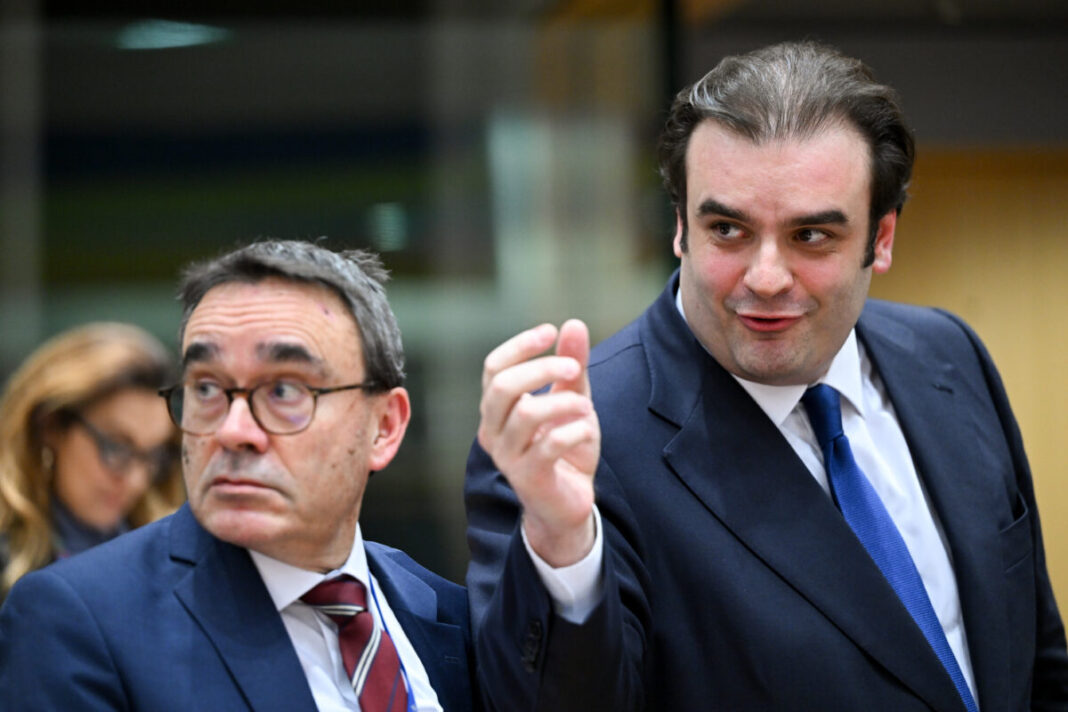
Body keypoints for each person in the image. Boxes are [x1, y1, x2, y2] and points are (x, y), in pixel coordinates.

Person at [465, 41, 1068, 711]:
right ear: (680, 228)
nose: (766, 278)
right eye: (728, 229)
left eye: (811, 236)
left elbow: (1036, 659)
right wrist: (563, 546)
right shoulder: (572, 448)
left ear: (882, 237)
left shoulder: (947, 355)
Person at [0, 241, 477, 711]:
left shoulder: (452, 611)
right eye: (207, 388)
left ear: (384, 427)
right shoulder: (79, 620)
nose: (232, 431)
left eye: (284, 390)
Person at [0, 322, 184, 603]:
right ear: (50, 425)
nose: (136, 480)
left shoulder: (168, 559)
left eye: (153, 455)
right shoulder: (10, 563)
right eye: (116, 447)